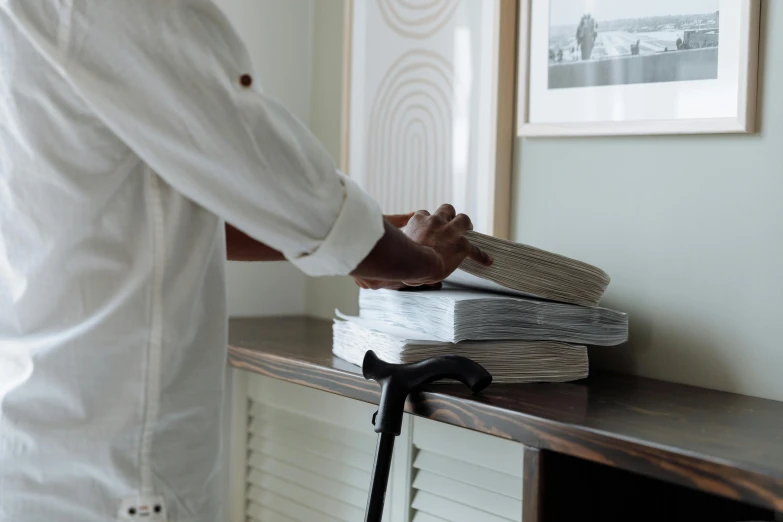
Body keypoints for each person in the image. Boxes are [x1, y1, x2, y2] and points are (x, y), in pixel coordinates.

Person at [0, 2, 491, 521]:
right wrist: (420, 258)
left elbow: (191, 196)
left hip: (38, 445)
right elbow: (264, 171)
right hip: (109, 471)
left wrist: (371, 242)